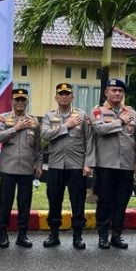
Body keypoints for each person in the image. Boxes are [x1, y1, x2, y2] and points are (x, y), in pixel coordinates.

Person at [40, 83, 94, 249]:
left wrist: (89, 163)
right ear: (56, 97)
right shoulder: (49, 116)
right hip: (56, 165)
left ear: (72, 97)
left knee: (77, 201)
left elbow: (90, 141)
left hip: (76, 165)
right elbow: (45, 134)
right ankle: (53, 234)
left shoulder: (82, 115)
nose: (64, 97)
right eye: (61, 94)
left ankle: (77, 236)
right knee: (54, 200)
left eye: (67, 94)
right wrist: (66, 126)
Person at [92, 78, 136, 250]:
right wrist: (120, 122)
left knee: (122, 201)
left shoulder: (132, 112)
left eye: (120, 91)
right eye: (113, 90)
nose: (117, 93)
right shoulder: (98, 111)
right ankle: (103, 234)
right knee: (105, 201)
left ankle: (117, 235)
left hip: (126, 165)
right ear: (106, 92)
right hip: (106, 164)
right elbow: (100, 129)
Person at [0, 87, 42, 248]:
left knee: (25, 203)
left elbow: (38, 147)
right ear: (12, 101)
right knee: (5, 202)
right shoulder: (3, 118)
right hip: (8, 168)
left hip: (27, 169)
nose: (20, 102)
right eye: (17, 100)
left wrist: (39, 164)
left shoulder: (34, 121)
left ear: (26, 102)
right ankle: (2, 233)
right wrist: (16, 128)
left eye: (23, 100)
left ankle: (22, 235)